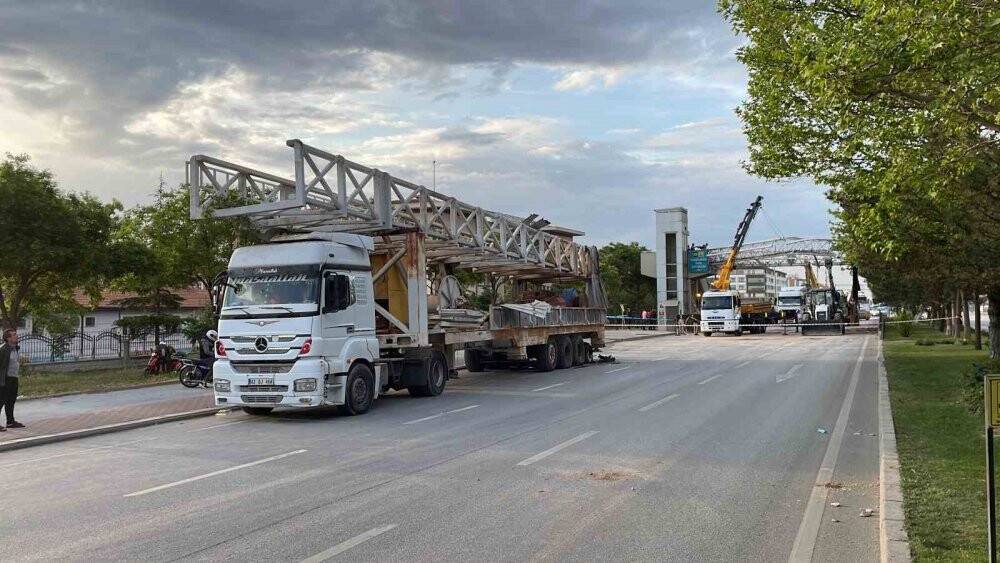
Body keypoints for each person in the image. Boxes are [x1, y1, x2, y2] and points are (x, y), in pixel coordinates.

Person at [0, 329, 24, 430]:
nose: (16, 336)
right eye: (14, 335)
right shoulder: (3, 349)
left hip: (14, 378)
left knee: (11, 400)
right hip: (5, 379)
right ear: (8, 338)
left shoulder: (15, 348)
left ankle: (10, 422)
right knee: (1, 401)